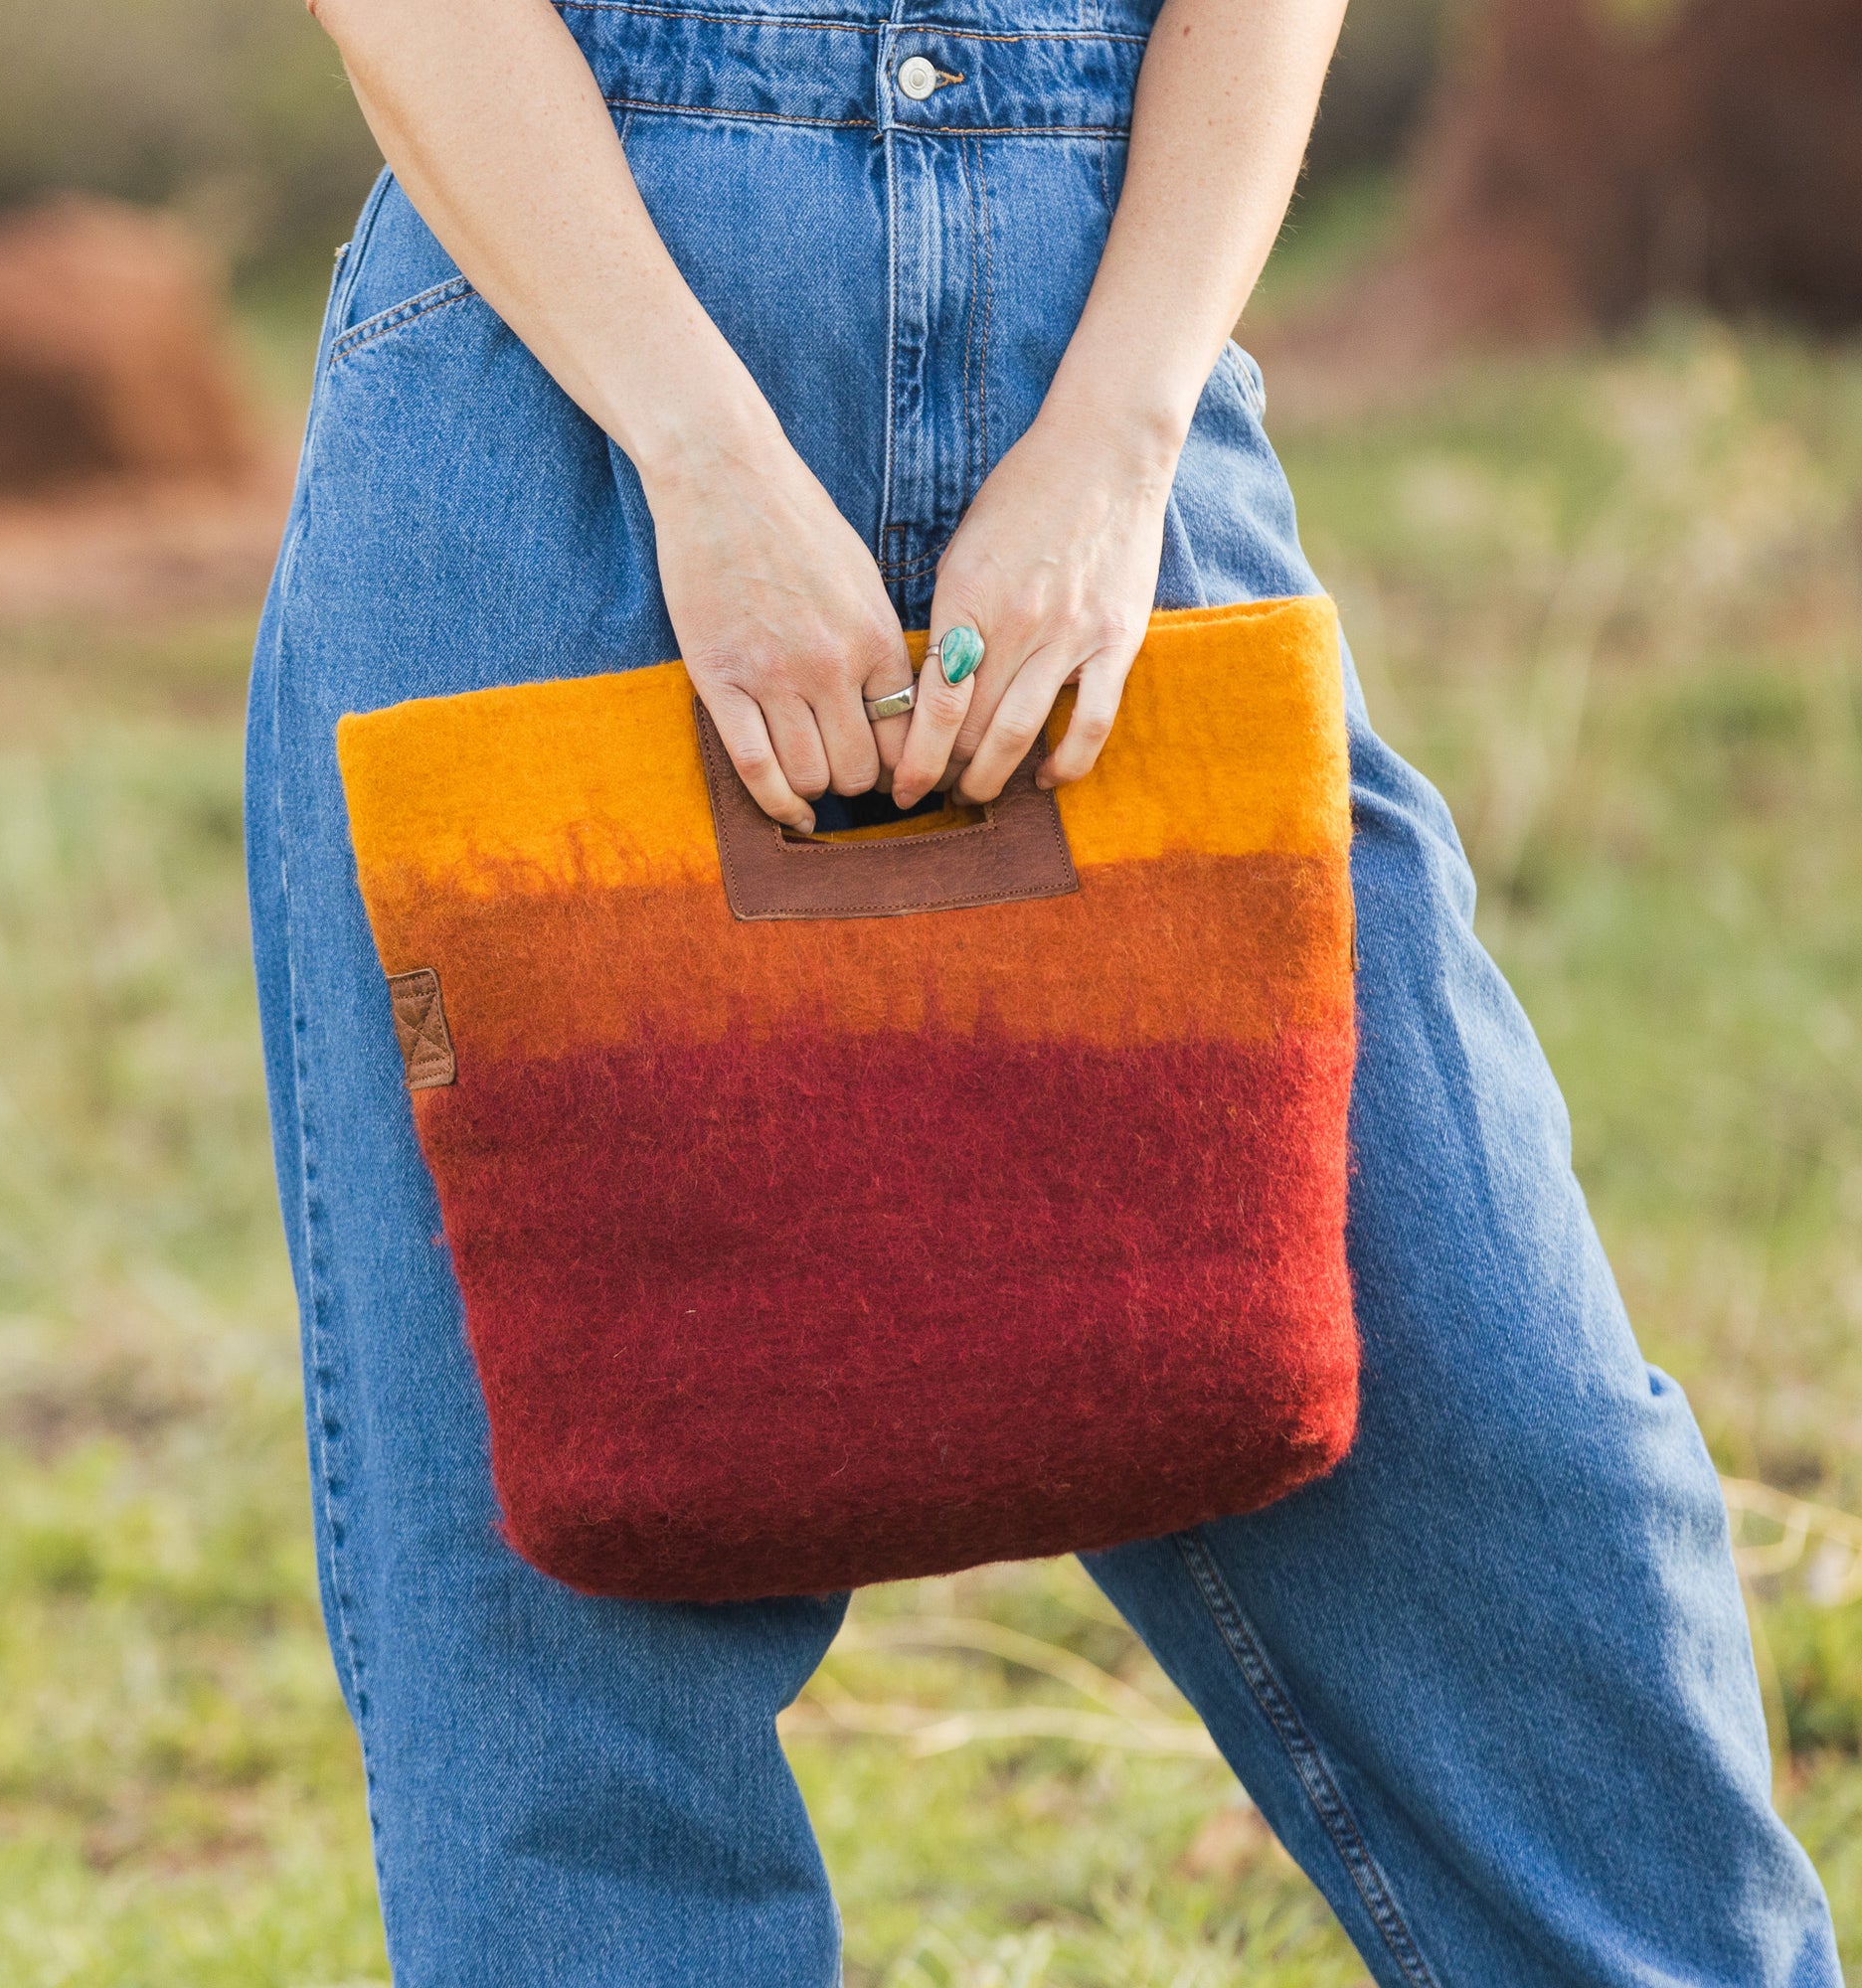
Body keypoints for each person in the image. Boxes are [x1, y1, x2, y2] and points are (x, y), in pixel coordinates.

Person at [246, 0, 1840, 1977]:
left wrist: (1122, 430)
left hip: (1105, 390)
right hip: (554, 400)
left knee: (1520, 1465)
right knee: (565, 1656)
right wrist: (698, 447)